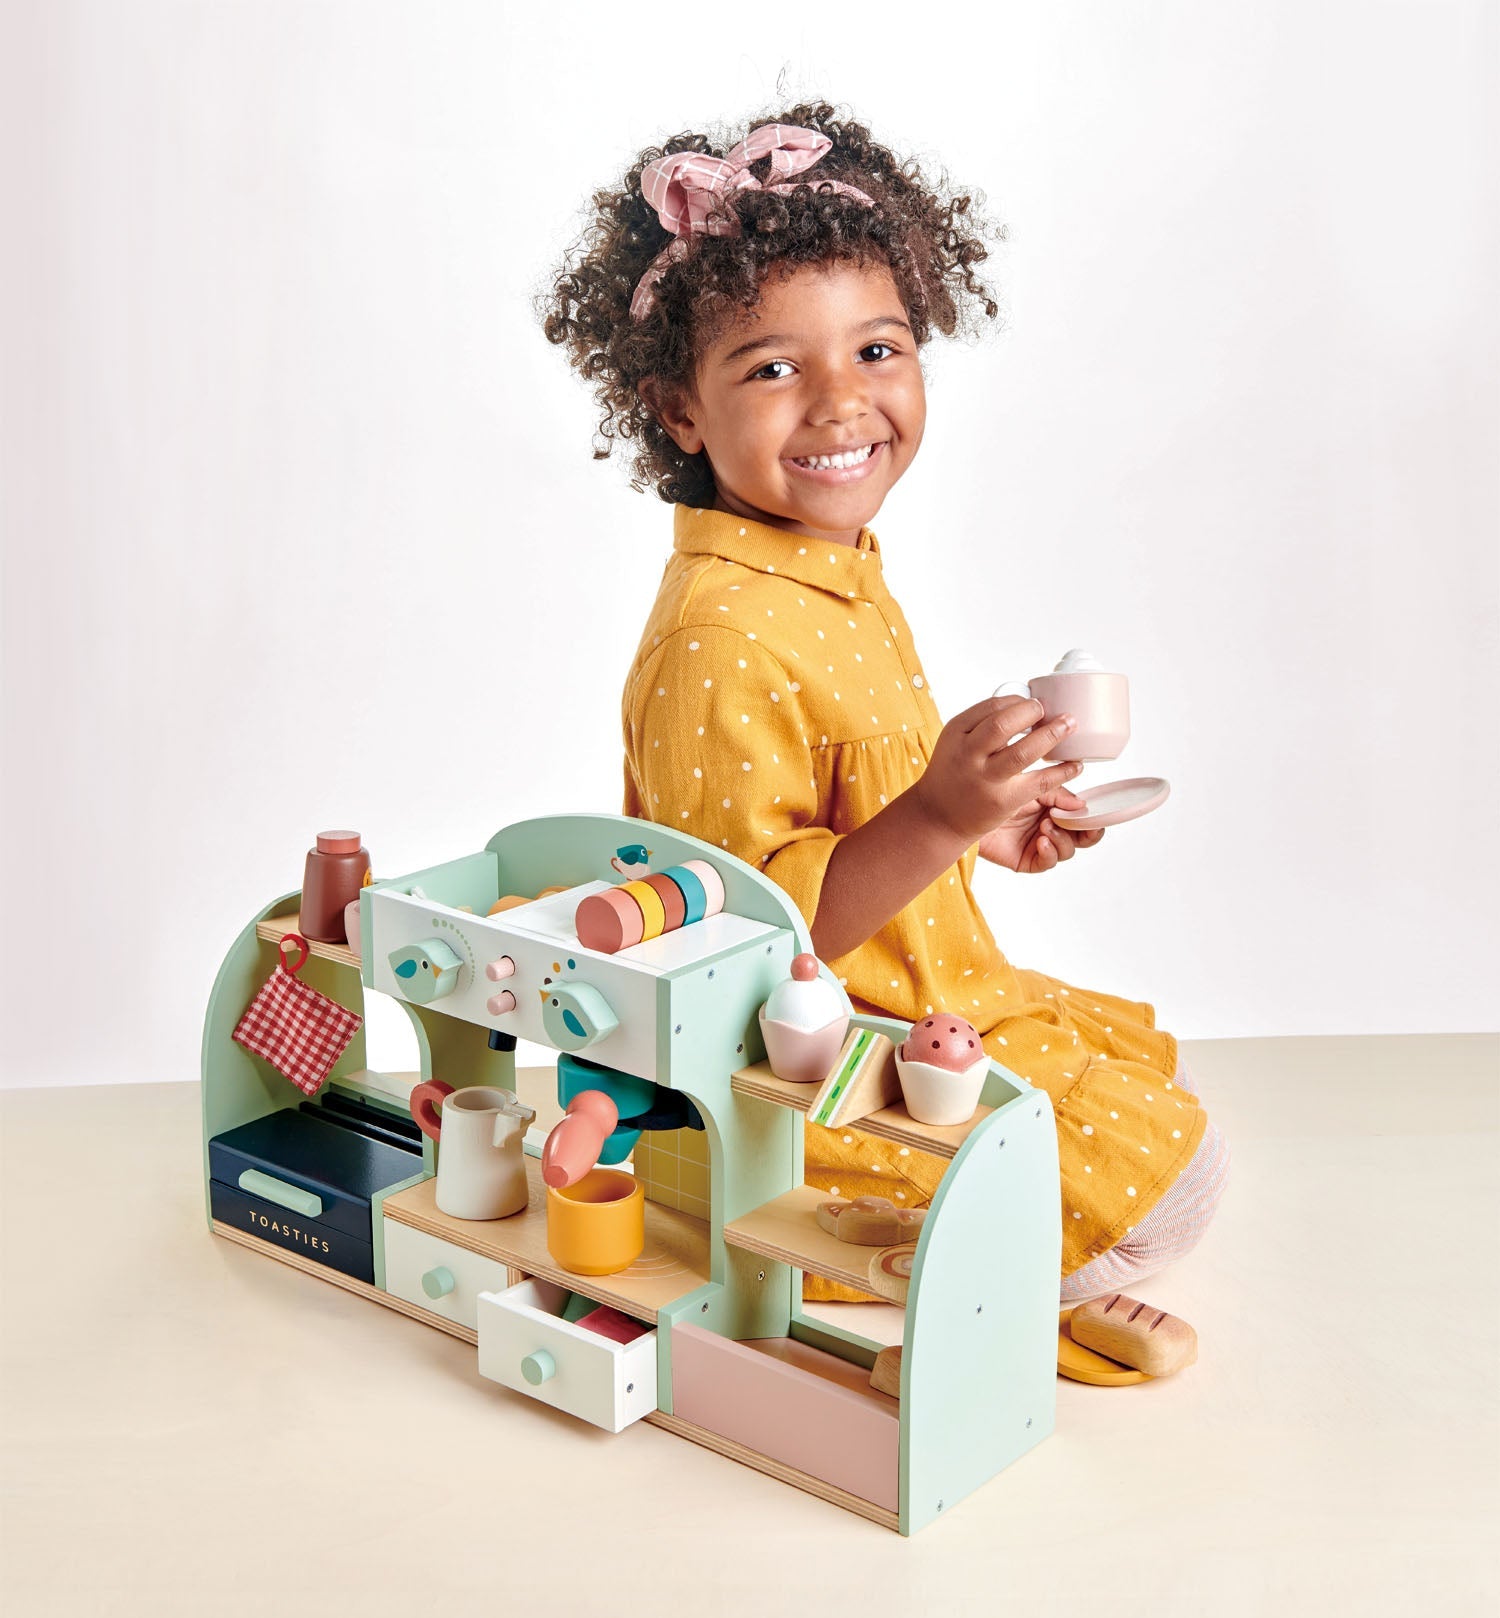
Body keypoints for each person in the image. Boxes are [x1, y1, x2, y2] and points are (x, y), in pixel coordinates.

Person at [541, 103, 1228, 1302]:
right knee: (1172, 1196)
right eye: (773, 368)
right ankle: (952, 1291)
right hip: (811, 1067)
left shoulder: (825, 563)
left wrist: (981, 822)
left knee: (1176, 1134)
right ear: (680, 409)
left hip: (932, 996)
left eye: (877, 349)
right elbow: (753, 940)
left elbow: (855, 808)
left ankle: (1000, 1275)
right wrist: (937, 817)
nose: (841, 402)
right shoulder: (720, 636)